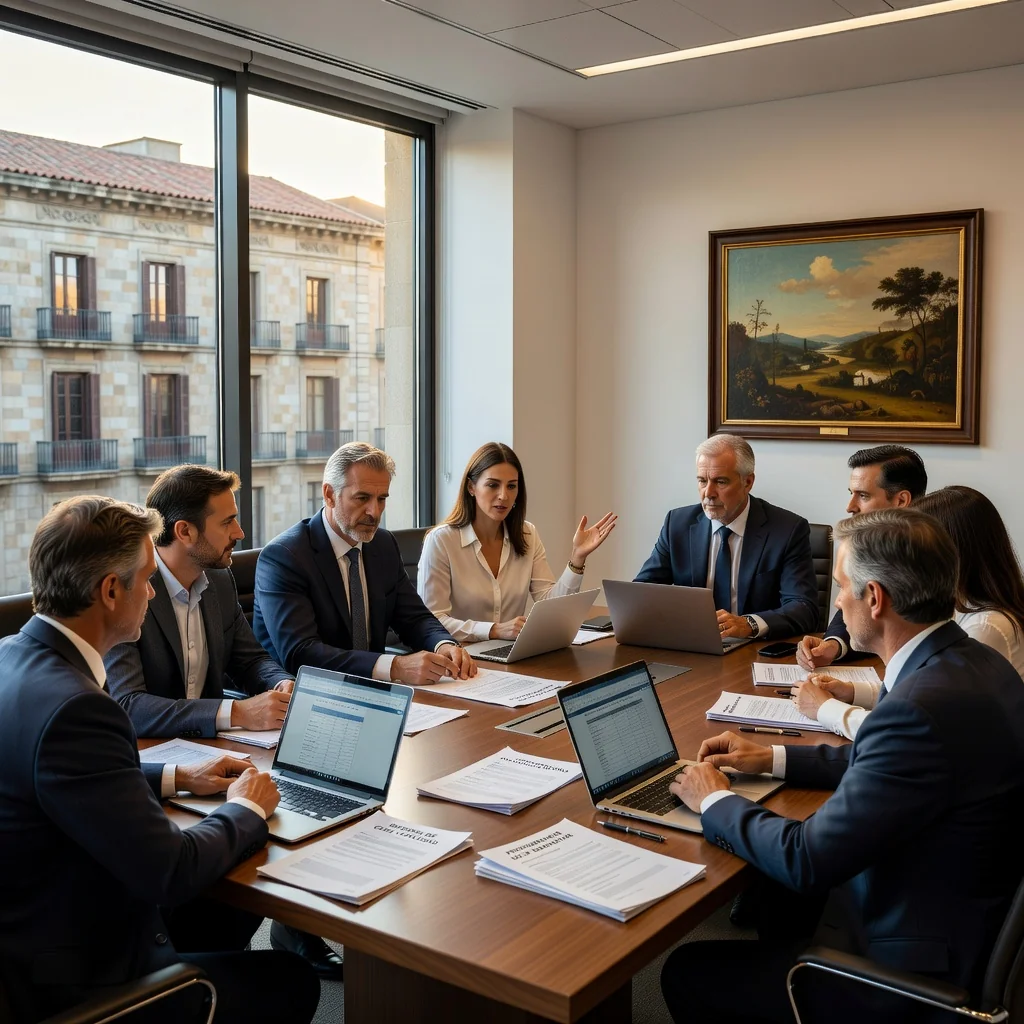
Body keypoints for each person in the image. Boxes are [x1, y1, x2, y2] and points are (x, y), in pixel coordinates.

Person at [662, 509, 1024, 1024]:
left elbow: (805, 860)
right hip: (965, 909)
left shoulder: (918, 706)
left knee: (687, 970)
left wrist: (713, 798)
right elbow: (886, 759)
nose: (835, 601)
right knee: (774, 902)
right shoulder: (970, 663)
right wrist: (769, 757)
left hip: (915, 972)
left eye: (841, 586)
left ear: (874, 599)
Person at [0, 497, 319, 1024]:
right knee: (289, 981)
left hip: (33, 930)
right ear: (109, 590)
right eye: (147, 579)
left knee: (220, 905)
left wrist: (175, 777)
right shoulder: (79, 709)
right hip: (77, 979)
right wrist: (246, 810)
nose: (152, 592)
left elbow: (53, 781)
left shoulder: (13, 655)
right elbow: (170, 871)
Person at [104, 465, 343, 980]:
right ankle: (203, 972)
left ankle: (245, 945)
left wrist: (279, 683)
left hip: (209, 762)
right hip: (148, 768)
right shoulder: (131, 595)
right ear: (184, 531)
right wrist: (235, 711)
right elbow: (128, 705)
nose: (241, 533)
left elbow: (249, 658)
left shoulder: (216, 581)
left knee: (287, 810)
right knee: (247, 832)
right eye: (229, 521)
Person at [795, 486, 1024, 738]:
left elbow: (907, 724)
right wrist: (852, 691)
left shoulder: (986, 626)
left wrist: (824, 709)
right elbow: (923, 689)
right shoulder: (966, 608)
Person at [254, 441, 476, 684]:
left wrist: (442, 645)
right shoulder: (285, 556)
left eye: (382, 499)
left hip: (375, 692)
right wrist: (395, 666)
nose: (375, 511)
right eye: (362, 498)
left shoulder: (382, 544)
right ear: (329, 495)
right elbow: (300, 653)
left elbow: (415, 618)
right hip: (306, 697)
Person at [417, 442, 617, 641]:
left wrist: (577, 557)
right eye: (493, 485)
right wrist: (493, 630)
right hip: (459, 657)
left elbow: (551, 606)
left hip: (511, 654)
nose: (504, 495)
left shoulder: (527, 534)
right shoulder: (441, 541)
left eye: (511, 486)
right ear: (471, 487)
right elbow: (433, 620)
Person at [635, 433, 817, 639]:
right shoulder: (678, 523)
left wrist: (749, 624)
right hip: (691, 644)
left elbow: (804, 609)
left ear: (747, 482)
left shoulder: (787, 530)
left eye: (720, 482)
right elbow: (642, 593)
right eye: (702, 481)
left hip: (752, 649)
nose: (708, 493)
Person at [796, 444, 927, 670]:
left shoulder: (933, 553)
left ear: (901, 501)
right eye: (851, 494)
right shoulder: (877, 543)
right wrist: (833, 645)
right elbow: (855, 602)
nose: (850, 507)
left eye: (863, 496)